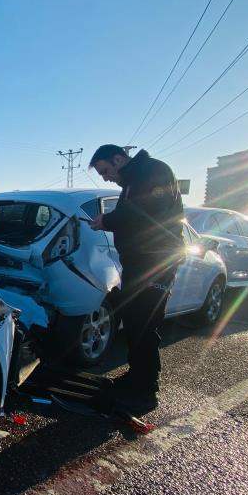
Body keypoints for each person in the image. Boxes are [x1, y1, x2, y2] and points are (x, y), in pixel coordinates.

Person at [88, 144, 184, 415]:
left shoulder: (155, 171)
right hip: (140, 262)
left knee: (144, 322)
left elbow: (143, 212)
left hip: (158, 261)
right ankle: (137, 376)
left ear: (118, 159)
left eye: (106, 170)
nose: (106, 177)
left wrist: (107, 220)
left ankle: (146, 391)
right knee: (133, 321)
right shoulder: (132, 183)